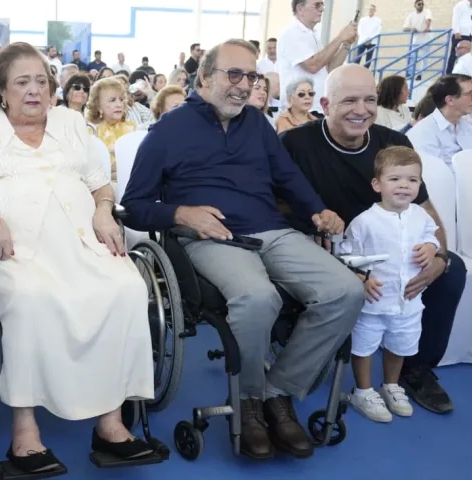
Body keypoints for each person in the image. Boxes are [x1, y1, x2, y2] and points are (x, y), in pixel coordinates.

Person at [122, 39, 364, 461]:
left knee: (346, 291)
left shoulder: (256, 123)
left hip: (272, 230)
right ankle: (250, 401)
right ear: (204, 77)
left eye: (251, 76)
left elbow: (287, 177)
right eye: (234, 74)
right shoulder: (167, 131)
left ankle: (279, 391)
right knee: (257, 298)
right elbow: (135, 207)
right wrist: (183, 213)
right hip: (212, 238)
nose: (243, 85)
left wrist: (318, 211)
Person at [0, 42, 155, 474]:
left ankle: (111, 423)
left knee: (127, 288)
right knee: (32, 299)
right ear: (2, 90)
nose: (35, 90)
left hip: (81, 241)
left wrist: (102, 211)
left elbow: (100, 183)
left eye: (42, 80)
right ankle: (25, 432)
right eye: (22, 82)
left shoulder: (71, 122)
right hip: (14, 249)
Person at [280, 64, 467, 415]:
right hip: (330, 250)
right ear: (325, 103)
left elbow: (424, 207)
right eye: (349, 100)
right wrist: (310, 227)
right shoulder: (295, 143)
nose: (361, 109)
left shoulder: (394, 142)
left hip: (395, 245)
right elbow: (272, 206)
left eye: (368, 99)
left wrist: (440, 254)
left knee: (453, 271)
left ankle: (415, 368)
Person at [339, 146, 440, 422]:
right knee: (364, 346)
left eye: (412, 180)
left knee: (400, 344)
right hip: (374, 302)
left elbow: (433, 237)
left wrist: (431, 248)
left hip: (408, 301)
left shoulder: (421, 216)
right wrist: (362, 279)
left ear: (420, 184)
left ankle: (391, 385)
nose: (404, 186)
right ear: (377, 184)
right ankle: (363, 390)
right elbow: (347, 256)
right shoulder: (364, 222)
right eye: (395, 179)